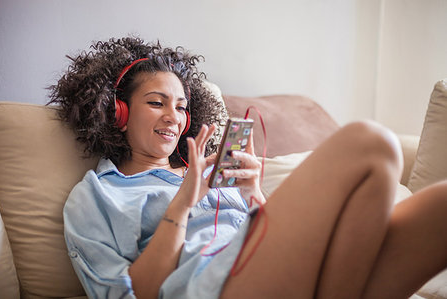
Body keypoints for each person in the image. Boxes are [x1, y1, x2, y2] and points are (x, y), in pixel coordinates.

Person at [48, 37, 447, 299]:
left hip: (272, 266)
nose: (174, 117)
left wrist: (252, 193)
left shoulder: (209, 173)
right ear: (117, 111)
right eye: (157, 103)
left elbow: (268, 237)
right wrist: (181, 206)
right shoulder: (96, 195)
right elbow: (133, 293)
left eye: (182, 107)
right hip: (214, 284)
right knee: (371, 144)